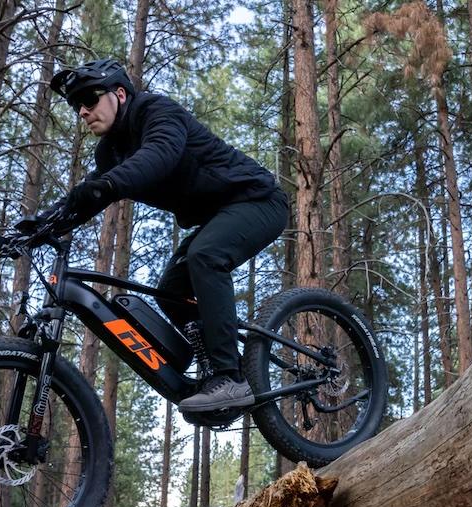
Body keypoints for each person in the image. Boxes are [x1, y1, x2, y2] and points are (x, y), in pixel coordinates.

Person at [41, 59, 289, 413]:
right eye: (77, 105)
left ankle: (229, 377)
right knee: (171, 289)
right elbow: (85, 197)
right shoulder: (110, 151)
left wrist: (106, 185)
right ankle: (214, 364)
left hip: (259, 201)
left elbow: (159, 155)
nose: (83, 111)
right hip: (221, 215)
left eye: (90, 99)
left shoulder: (156, 111)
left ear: (120, 93)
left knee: (206, 255)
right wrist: (37, 226)